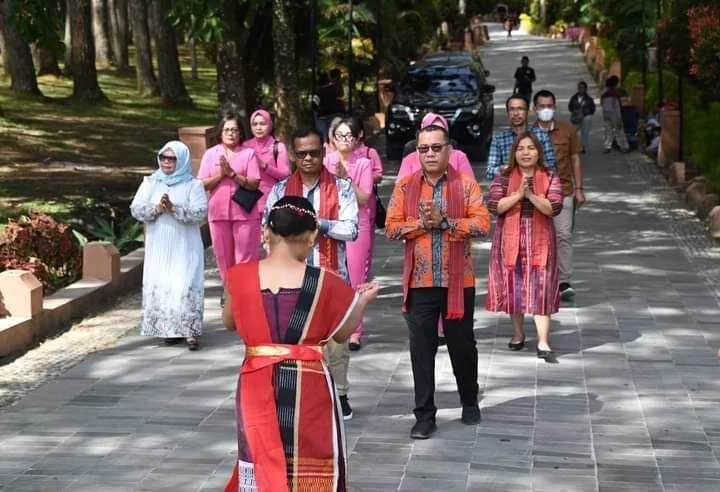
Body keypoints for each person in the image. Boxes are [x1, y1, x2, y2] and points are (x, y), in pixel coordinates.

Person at [223, 196, 379, 492]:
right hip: (310, 383)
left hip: (256, 381)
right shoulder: (326, 281)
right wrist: (362, 301)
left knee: (259, 457)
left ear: (268, 231)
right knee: (310, 459)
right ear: (311, 237)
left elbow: (230, 322)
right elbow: (342, 334)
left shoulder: (239, 277)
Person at [385, 124, 490, 440]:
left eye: (436, 147)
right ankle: (424, 415)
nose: (429, 153)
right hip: (420, 283)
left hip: (459, 282)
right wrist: (421, 223)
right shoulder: (404, 187)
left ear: (449, 150)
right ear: (417, 152)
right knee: (421, 349)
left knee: (462, 346)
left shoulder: (467, 186)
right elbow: (390, 228)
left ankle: (469, 401)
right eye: (423, 149)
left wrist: (444, 221)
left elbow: (482, 224)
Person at [263, 127, 359, 420]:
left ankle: (340, 395)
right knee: (294, 340)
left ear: (324, 152)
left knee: (336, 341)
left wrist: (318, 225)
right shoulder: (280, 190)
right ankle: (297, 395)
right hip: (291, 277)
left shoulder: (342, 187)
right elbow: (268, 232)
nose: (308, 158)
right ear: (293, 154)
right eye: (302, 153)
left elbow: (351, 229)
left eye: (314, 152)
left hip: (330, 276)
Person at [485, 132, 563, 362]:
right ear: (514, 153)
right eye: (521, 149)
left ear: (539, 151)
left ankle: (543, 341)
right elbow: (495, 206)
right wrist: (519, 195)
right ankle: (518, 334)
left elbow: (553, 207)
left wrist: (530, 194)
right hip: (509, 238)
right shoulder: (503, 176)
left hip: (541, 239)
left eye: (531, 148)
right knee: (513, 285)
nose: (526, 152)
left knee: (542, 286)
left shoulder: (550, 176)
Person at [130, 141, 208, 351]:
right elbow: (136, 209)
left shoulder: (194, 185)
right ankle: (169, 330)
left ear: (181, 160)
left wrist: (174, 208)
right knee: (165, 284)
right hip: (160, 244)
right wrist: (156, 209)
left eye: (172, 159)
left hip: (185, 245)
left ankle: (190, 331)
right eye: (163, 157)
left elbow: (200, 212)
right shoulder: (151, 182)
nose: (166, 162)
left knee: (184, 284)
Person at [324, 118, 375, 350]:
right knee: (330, 275)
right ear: (333, 139)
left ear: (356, 139)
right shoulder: (326, 161)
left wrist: (346, 178)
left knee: (355, 278)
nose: (344, 140)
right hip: (330, 224)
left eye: (349, 136)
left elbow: (364, 197)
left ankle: (355, 330)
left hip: (357, 225)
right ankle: (331, 324)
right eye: (340, 135)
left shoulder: (364, 163)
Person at [197, 112, 262, 290]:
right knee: (224, 258)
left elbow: (254, 183)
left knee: (246, 258)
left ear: (241, 133)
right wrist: (221, 174)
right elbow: (202, 183)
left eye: (234, 130)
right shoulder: (211, 154)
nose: (231, 133)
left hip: (245, 213)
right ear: (220, 133)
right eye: (227, 129)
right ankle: (229, 293)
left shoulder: (248, 153)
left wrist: (233, 174)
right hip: (218, 213)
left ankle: (245, 293)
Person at [533, 89, 585, 302]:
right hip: (536, 194)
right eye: (542, 106)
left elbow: (574, 159)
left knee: (563, 235)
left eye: (550, 106)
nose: (546, 110)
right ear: (535, 109)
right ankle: (540, 279)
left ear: (554, 107)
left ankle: (564, 281)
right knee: (539, 238)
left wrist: (579, 188)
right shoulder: (529, 134)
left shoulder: (567, 130)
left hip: (564, 191)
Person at [486, 94, 557, 180]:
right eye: (512, 109)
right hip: (509, 189)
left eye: (520, 109)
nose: (516, 113)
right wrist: (513, 169)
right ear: (507, 113)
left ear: (528, 112)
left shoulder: (541, 136)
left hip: (537, 186)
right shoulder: (499, 139)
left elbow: (552, 168)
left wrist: (529, 169)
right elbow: (490, 172)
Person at [398, 113, 475, 181]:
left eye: (440, 130)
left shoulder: (459, 157)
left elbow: (471, 190)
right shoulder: (409, 159)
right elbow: (400, 191)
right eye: (432, 129)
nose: (430, 154)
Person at [243, 109, 291, 213]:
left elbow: (285, 175)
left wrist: (265, 166)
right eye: (254, 124)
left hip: (272, 199)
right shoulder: (245, 146)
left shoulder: (278, 147)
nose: (258, 128)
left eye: (262, 124)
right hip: (249, 201)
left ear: (270, 125)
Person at [601, 75, 630, 153]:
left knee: (608, 131)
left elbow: (602, 104)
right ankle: (624, 146)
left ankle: (607, 147)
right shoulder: (614, 93)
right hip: (614, 114)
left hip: (605, 113)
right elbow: (617, 107)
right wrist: (619, 119)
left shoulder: (604, 92)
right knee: (619, 130)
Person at [568, 80, 596, 153]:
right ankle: (572, 146)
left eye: (583, 88)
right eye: (579, 88)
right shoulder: (574, 98)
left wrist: (585, 113)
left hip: (586, 117)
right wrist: (576, 112)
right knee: (572, 131)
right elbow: (570, 107)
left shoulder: (589, 99)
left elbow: (593, 109)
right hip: (576, 118)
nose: (581, 89)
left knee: (585, 132)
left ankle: (583, 146)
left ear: (586, 89)